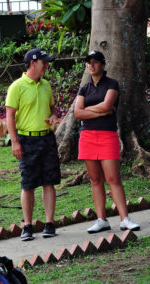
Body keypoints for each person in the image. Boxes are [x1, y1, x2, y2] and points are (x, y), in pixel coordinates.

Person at [74, 51, 140, 234]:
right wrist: (102, 111)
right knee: (95, 180)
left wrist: (93, 109)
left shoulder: (112, 84)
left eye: (95, 62)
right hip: (87, 136)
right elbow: (78, 113)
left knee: (113, 179)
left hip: (107, 136)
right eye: (89, 63)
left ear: (103, 65)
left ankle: (124, 219)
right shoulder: (84, 89)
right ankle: (101, 219)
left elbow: (106, 104)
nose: (92, 65)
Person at [5, 48, 61, 241]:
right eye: (43, 62)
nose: (46, 65)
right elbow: (10, 116)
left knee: (49, 181)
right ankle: (27, 226)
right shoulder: (17, 86)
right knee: (28, 183)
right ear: (32, 63)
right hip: (26, 140)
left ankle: (49, 223)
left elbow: (53, 108)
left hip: (46, 138)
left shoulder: (46, 85)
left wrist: (53, 116)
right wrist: (15, 142)